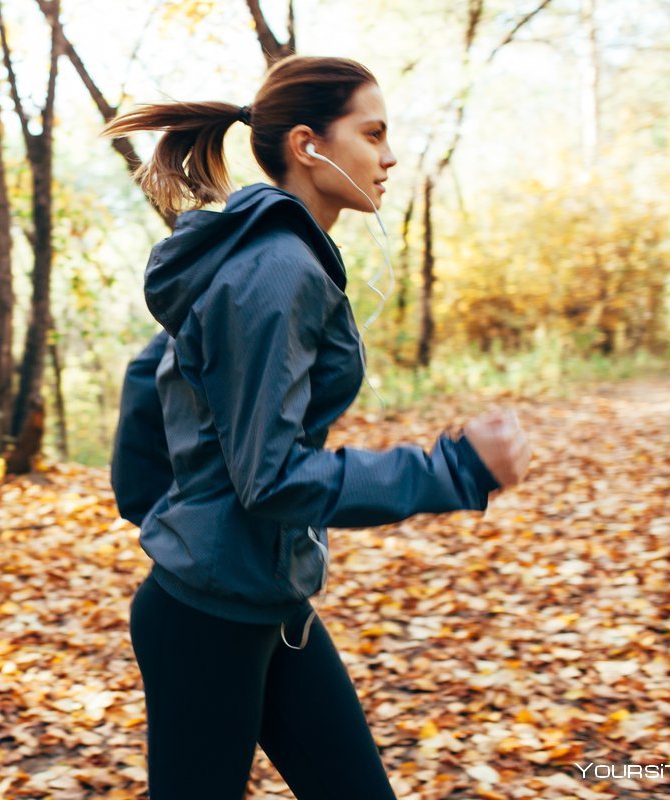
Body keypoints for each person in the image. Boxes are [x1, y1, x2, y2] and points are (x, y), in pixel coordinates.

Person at [106, 55, 532, 800]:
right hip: (209, 619)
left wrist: (171, 519)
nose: (390, 155)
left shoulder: (254, 253)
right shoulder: (276, 271)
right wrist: (455, 470)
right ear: (309, 145)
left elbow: (152, 375)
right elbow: (270, 477)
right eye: (372, 133)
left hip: (258, 600)